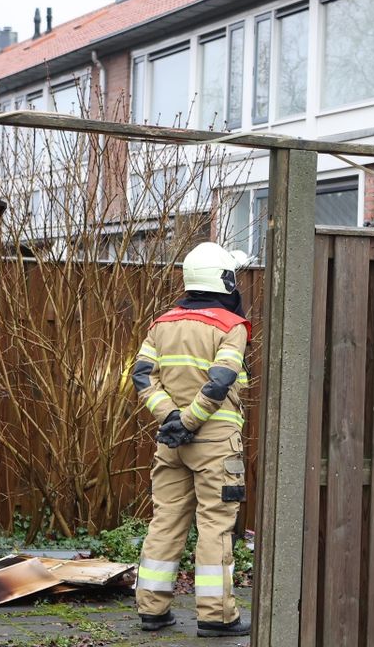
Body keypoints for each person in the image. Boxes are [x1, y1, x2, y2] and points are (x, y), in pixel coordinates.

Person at [131, 242, 254, 638]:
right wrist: (188, 420)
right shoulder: (231, 326)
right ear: (225, 280)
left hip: (170, 442)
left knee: (165, 520)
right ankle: (217, 617)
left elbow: (142, 376)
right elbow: (221, 380)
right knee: (215, 525)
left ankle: (152, 609)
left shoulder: (161, 324)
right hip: (215, 443)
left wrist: (170, 418)